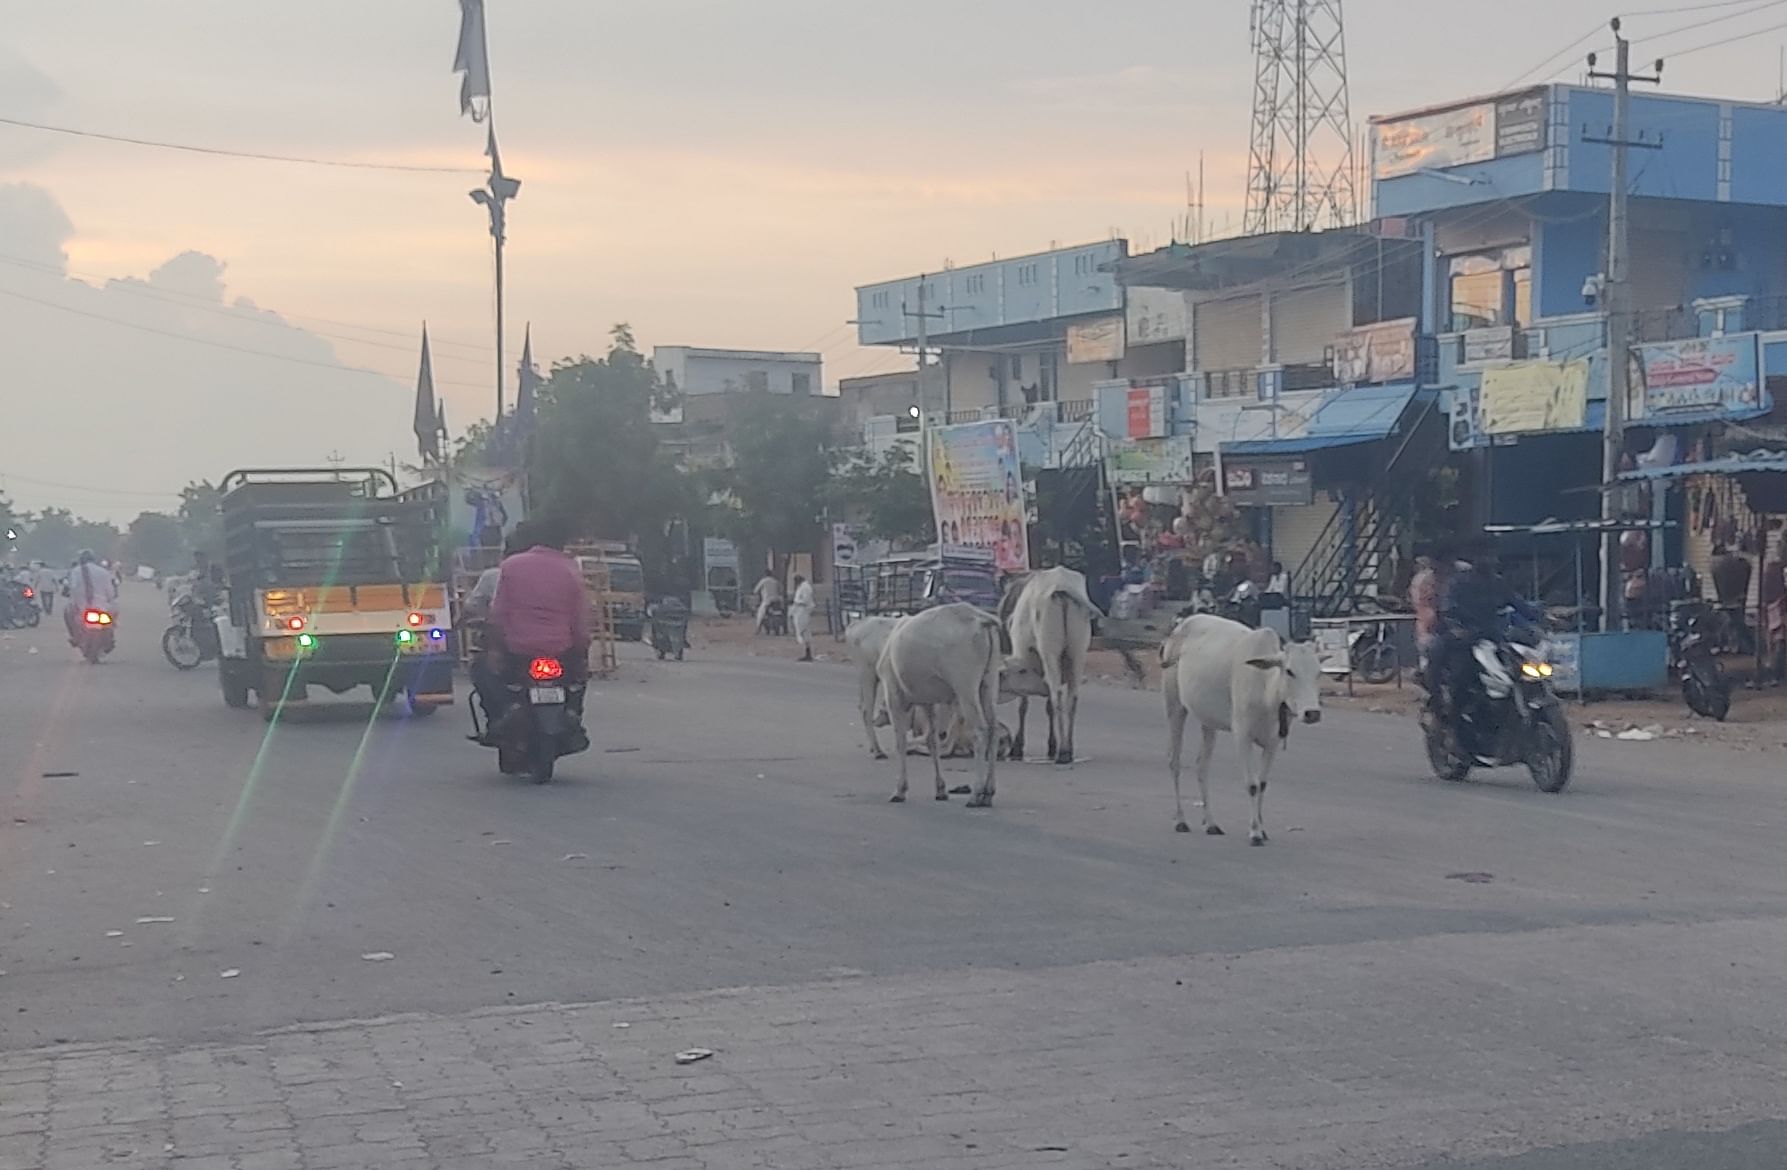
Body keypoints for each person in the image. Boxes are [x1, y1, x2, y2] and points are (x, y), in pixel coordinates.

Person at [477, 518, 591, 737]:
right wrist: (581, 649)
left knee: (482, 670)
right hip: (560, 648)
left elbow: (498, 613)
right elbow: (579, 617)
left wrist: (493, 648)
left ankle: (504, 712)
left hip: (517, 648)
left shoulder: (510, 566)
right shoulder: (571, 569)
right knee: (577, 679)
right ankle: (572, 712)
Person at [63, 550, 120, 645]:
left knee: (67, 612)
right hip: (102, 606)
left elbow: (72, 589)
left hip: (81, 607)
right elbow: (111, 593)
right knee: (113, 616)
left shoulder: (75, 571)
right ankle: (110, 638)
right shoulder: (104, 572)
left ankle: (73, 636)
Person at [789, 573, 816, 662]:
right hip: (799, 610)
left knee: (803, 630)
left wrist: (797, 603)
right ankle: (806, 652)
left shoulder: (806, 587)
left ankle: (808, 653)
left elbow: (805, 600)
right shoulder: (801, 587)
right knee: (801, 631)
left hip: (803, 610)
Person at [752, 570, 783, 634]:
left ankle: (758, 628)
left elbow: (755, 590)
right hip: (777, 600)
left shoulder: (763, 581)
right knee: (781, 613)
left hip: (767, 600)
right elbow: (780, 590)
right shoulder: (775, 581)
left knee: (760, 614)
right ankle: (781, 627)